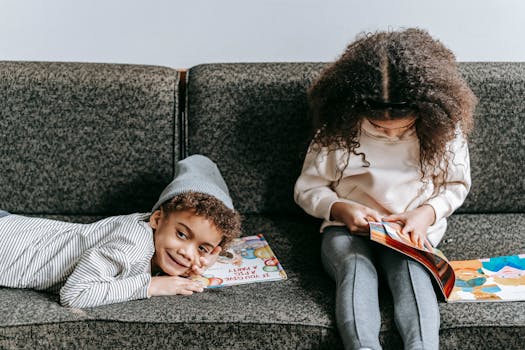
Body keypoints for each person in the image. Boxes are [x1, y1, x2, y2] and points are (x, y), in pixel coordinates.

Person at [294, 28, 477, 350]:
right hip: (346, 229)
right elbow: (308, 188)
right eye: (378, 128)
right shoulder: (337, 131)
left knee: (412, 272)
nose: (390, 135)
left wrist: (425, 213)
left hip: (410, 232)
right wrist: (340, 208)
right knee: (354, 268)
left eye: (403, 128)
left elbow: (455, 184)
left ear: (427, 111)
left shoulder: (447, 131)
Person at [0, 154, 241, 308]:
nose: (188, 253)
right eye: (181, 234)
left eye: (202, 247)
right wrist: (151, 286)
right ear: (157, 218)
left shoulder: (158, 241)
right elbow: (75, 294)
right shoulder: (132, 242)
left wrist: (202, 260)